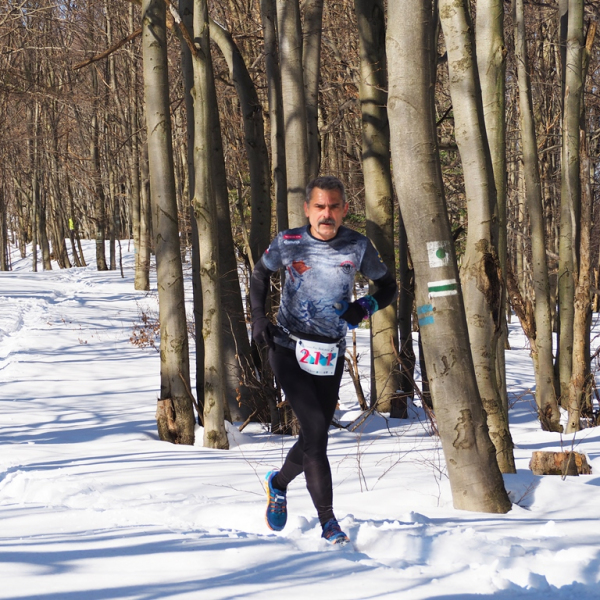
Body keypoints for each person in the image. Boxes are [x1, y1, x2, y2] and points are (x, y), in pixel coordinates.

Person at [250, 176, 397, 545]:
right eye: (319, 206)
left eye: (333, 206)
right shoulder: (289, 242)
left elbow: (389, 286)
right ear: (307, 209)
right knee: (316, 428)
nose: (326, 214)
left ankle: (278, 483)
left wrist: (364, 306)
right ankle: (328, 522)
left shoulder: (357, 246)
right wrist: (258, 318)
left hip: (329, 353)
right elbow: (259, 274)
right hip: (287, 347)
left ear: (344, 209)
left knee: (314, 435)